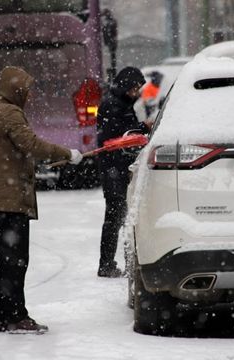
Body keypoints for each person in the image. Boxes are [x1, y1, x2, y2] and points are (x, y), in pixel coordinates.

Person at [0, 66, 83, 333]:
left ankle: (4, 317)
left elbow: (11, 152)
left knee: (7, 261)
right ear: (16, 90)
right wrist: (68, 153)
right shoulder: (9, 113)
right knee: (15, 261)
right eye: (27, 90)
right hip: (8, 200)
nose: (30, 96)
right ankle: (15, 316)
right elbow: (31, 144)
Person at [96, 67, 152, 277]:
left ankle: (109, 262)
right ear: (124, 86)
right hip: (113, 167)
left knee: (118, 214)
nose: (136, 93)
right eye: (134, 88)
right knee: (115, 214)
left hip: (116, 165)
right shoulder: (114, 105)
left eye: (138, 89)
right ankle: (106, 264)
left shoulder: (120, 103)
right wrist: (143, 129)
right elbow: (124, 136)